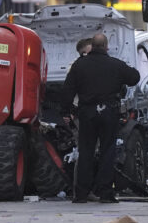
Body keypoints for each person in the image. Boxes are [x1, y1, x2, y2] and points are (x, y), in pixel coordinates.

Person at [60, 33, 140, 203]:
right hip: (109, 113)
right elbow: (134, 77)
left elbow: (67, 91)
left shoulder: (79, 65)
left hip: (87, 114)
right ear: (106, 47)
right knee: (107, 152)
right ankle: (105, 193)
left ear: (92, 47)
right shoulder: (115, 64)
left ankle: (81, 193)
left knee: (86, 152)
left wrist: (66, 111)